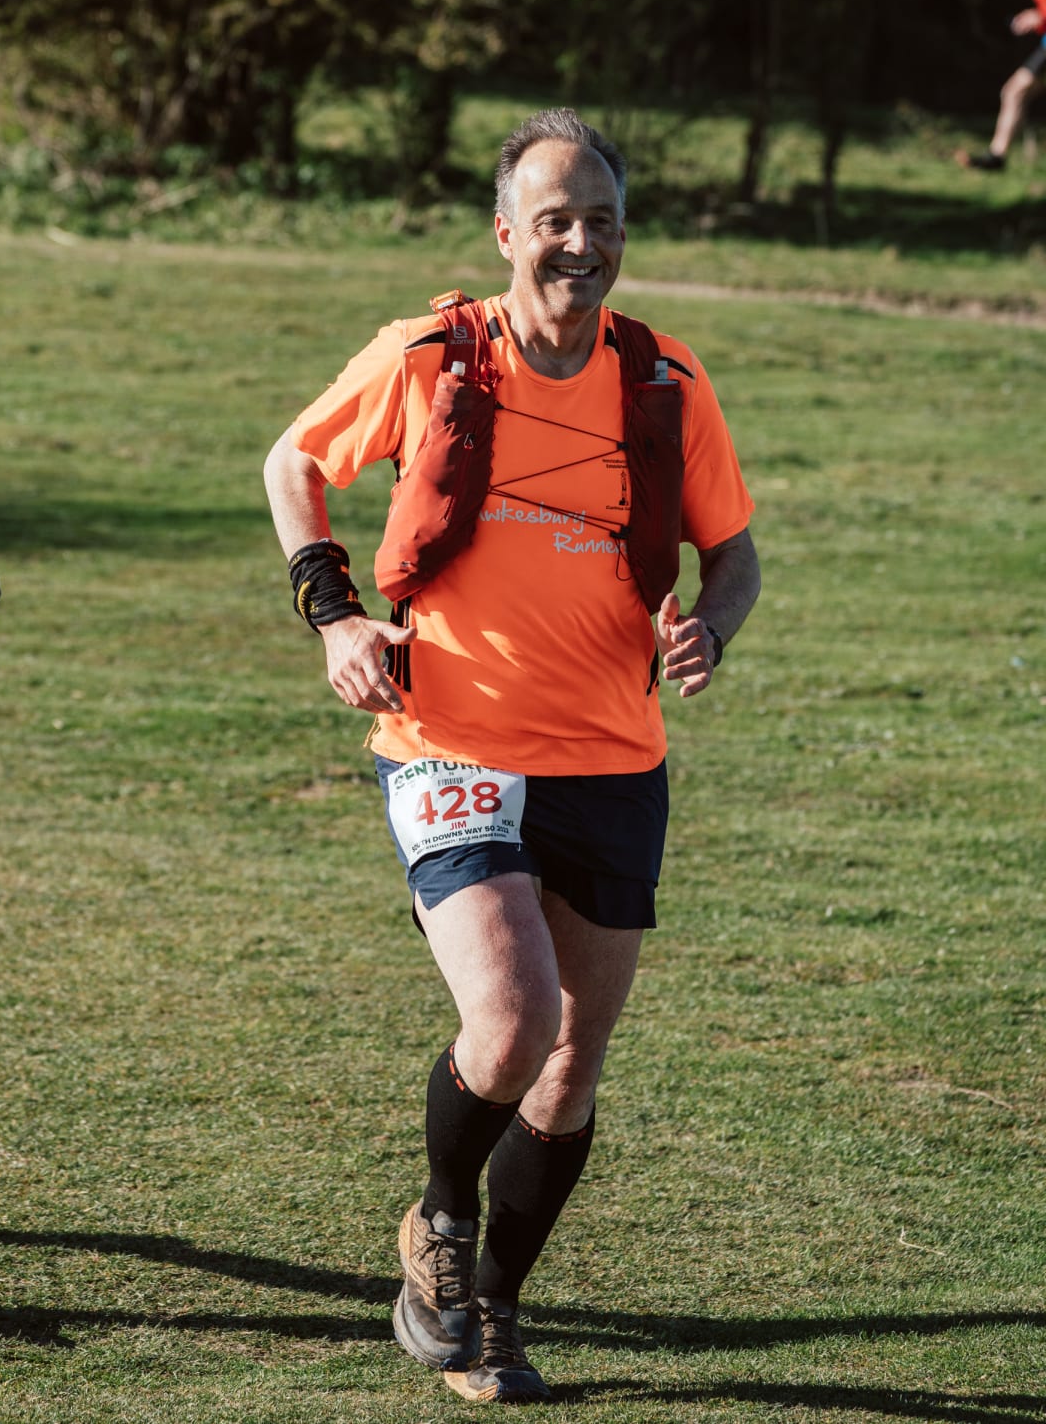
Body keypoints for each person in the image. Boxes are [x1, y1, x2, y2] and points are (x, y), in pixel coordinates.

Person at [263, 109, 760, 1404]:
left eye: (602, 220)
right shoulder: (432, 353)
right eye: (555, 219)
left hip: (614, 754)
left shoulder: (665, 376)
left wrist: (711, 625)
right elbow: (295, 459)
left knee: (573, 1062)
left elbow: (734, 548)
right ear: (505, 232)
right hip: (452, 739)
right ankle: (441, 1211)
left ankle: (492, 1307)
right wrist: (334, 613)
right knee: (513, 1017)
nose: (580, 243)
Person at [956, 0, 1046, 171]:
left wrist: (1039, 16)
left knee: (1015, 91)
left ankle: (997, 156)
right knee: (1014, 91)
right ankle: (996, 156)